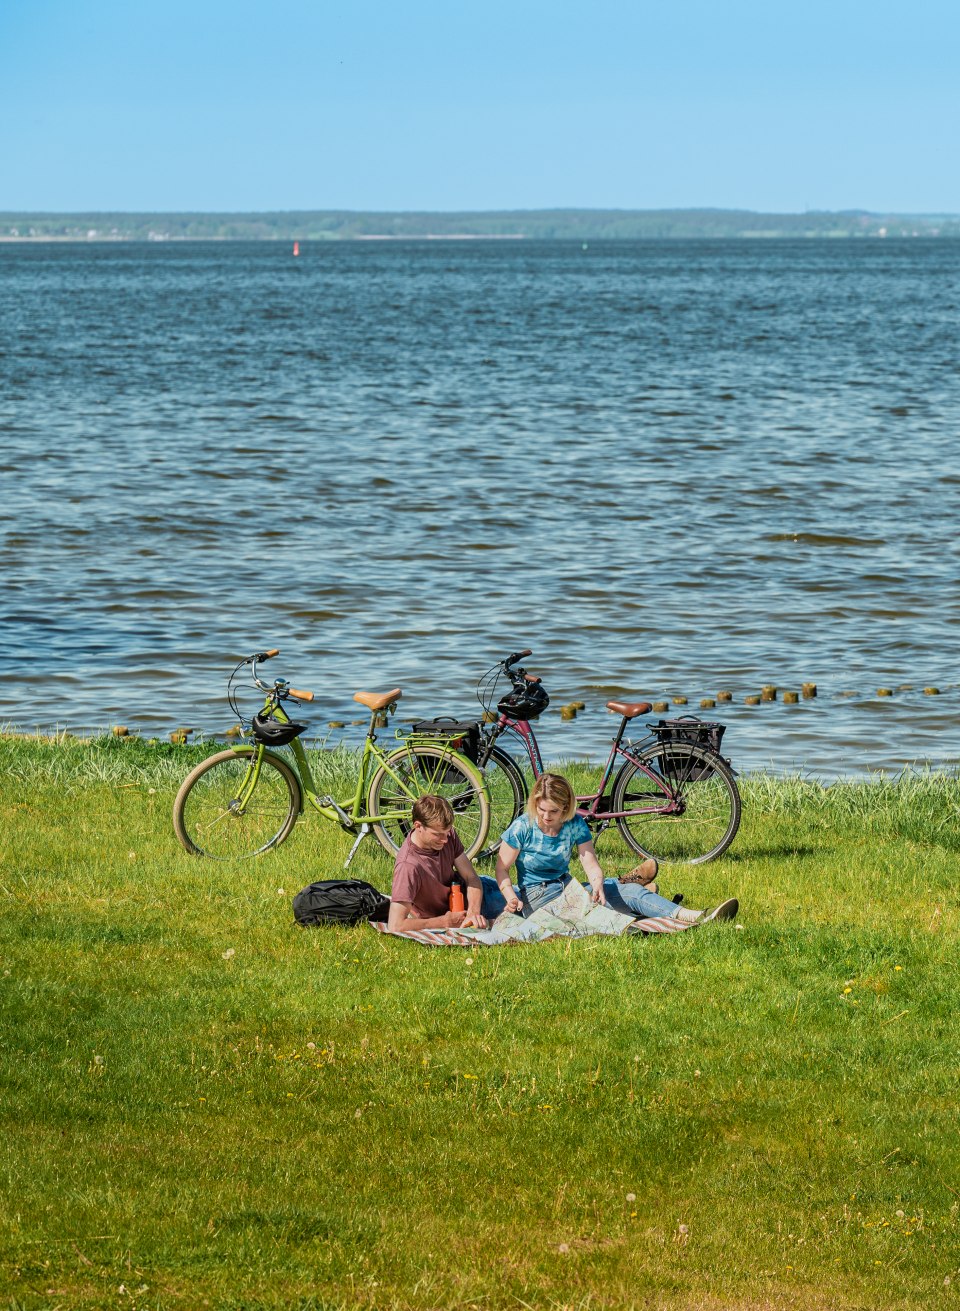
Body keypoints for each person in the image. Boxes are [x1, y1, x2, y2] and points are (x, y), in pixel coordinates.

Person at [494, 772, 738, 926]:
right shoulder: (522, 828)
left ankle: (694, 916)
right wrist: (510, 896)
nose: (546, 816)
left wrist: (598, 884)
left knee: (625, 892)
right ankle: (642, 896)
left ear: (566, 807)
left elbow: (590, 863)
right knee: (614, 904)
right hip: (537, 896)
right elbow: (502, 868)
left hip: (568, 886)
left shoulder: (575, 824)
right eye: (542, 810)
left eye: (554, 811)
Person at [388, 794, 493, 932]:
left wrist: (473, 913)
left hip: (475, 897)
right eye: (437, 834)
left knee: (519, 902)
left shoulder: (448, 835)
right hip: (452, 912)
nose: (444, 840)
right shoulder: (408, 866)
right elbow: (395, 925)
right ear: (418, 826)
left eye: (447, 832)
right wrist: (444, 922)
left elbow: (471, 877)